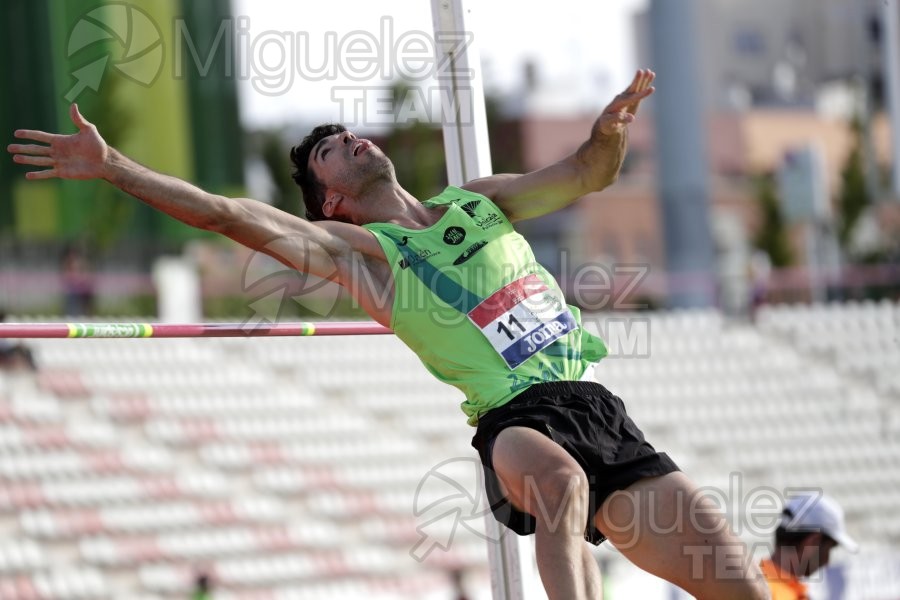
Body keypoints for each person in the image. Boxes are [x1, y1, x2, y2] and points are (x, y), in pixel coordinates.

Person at [7, 70, 769, 599]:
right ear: (330, 202)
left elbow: (584, 176)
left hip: (598, 409)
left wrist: (610, 132)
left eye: (347, 133)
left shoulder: (477, 200)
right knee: (562, 486)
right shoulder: (368, 259)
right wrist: (116, 168)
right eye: (331, 149)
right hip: (515, 422)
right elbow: (228, 213)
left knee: (741, 583)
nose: (352, 140)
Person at [761, 492, 858, 600]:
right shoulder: (771, 592)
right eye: (828, 549)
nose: (827, 561)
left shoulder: (763, 586)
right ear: (813, 542)